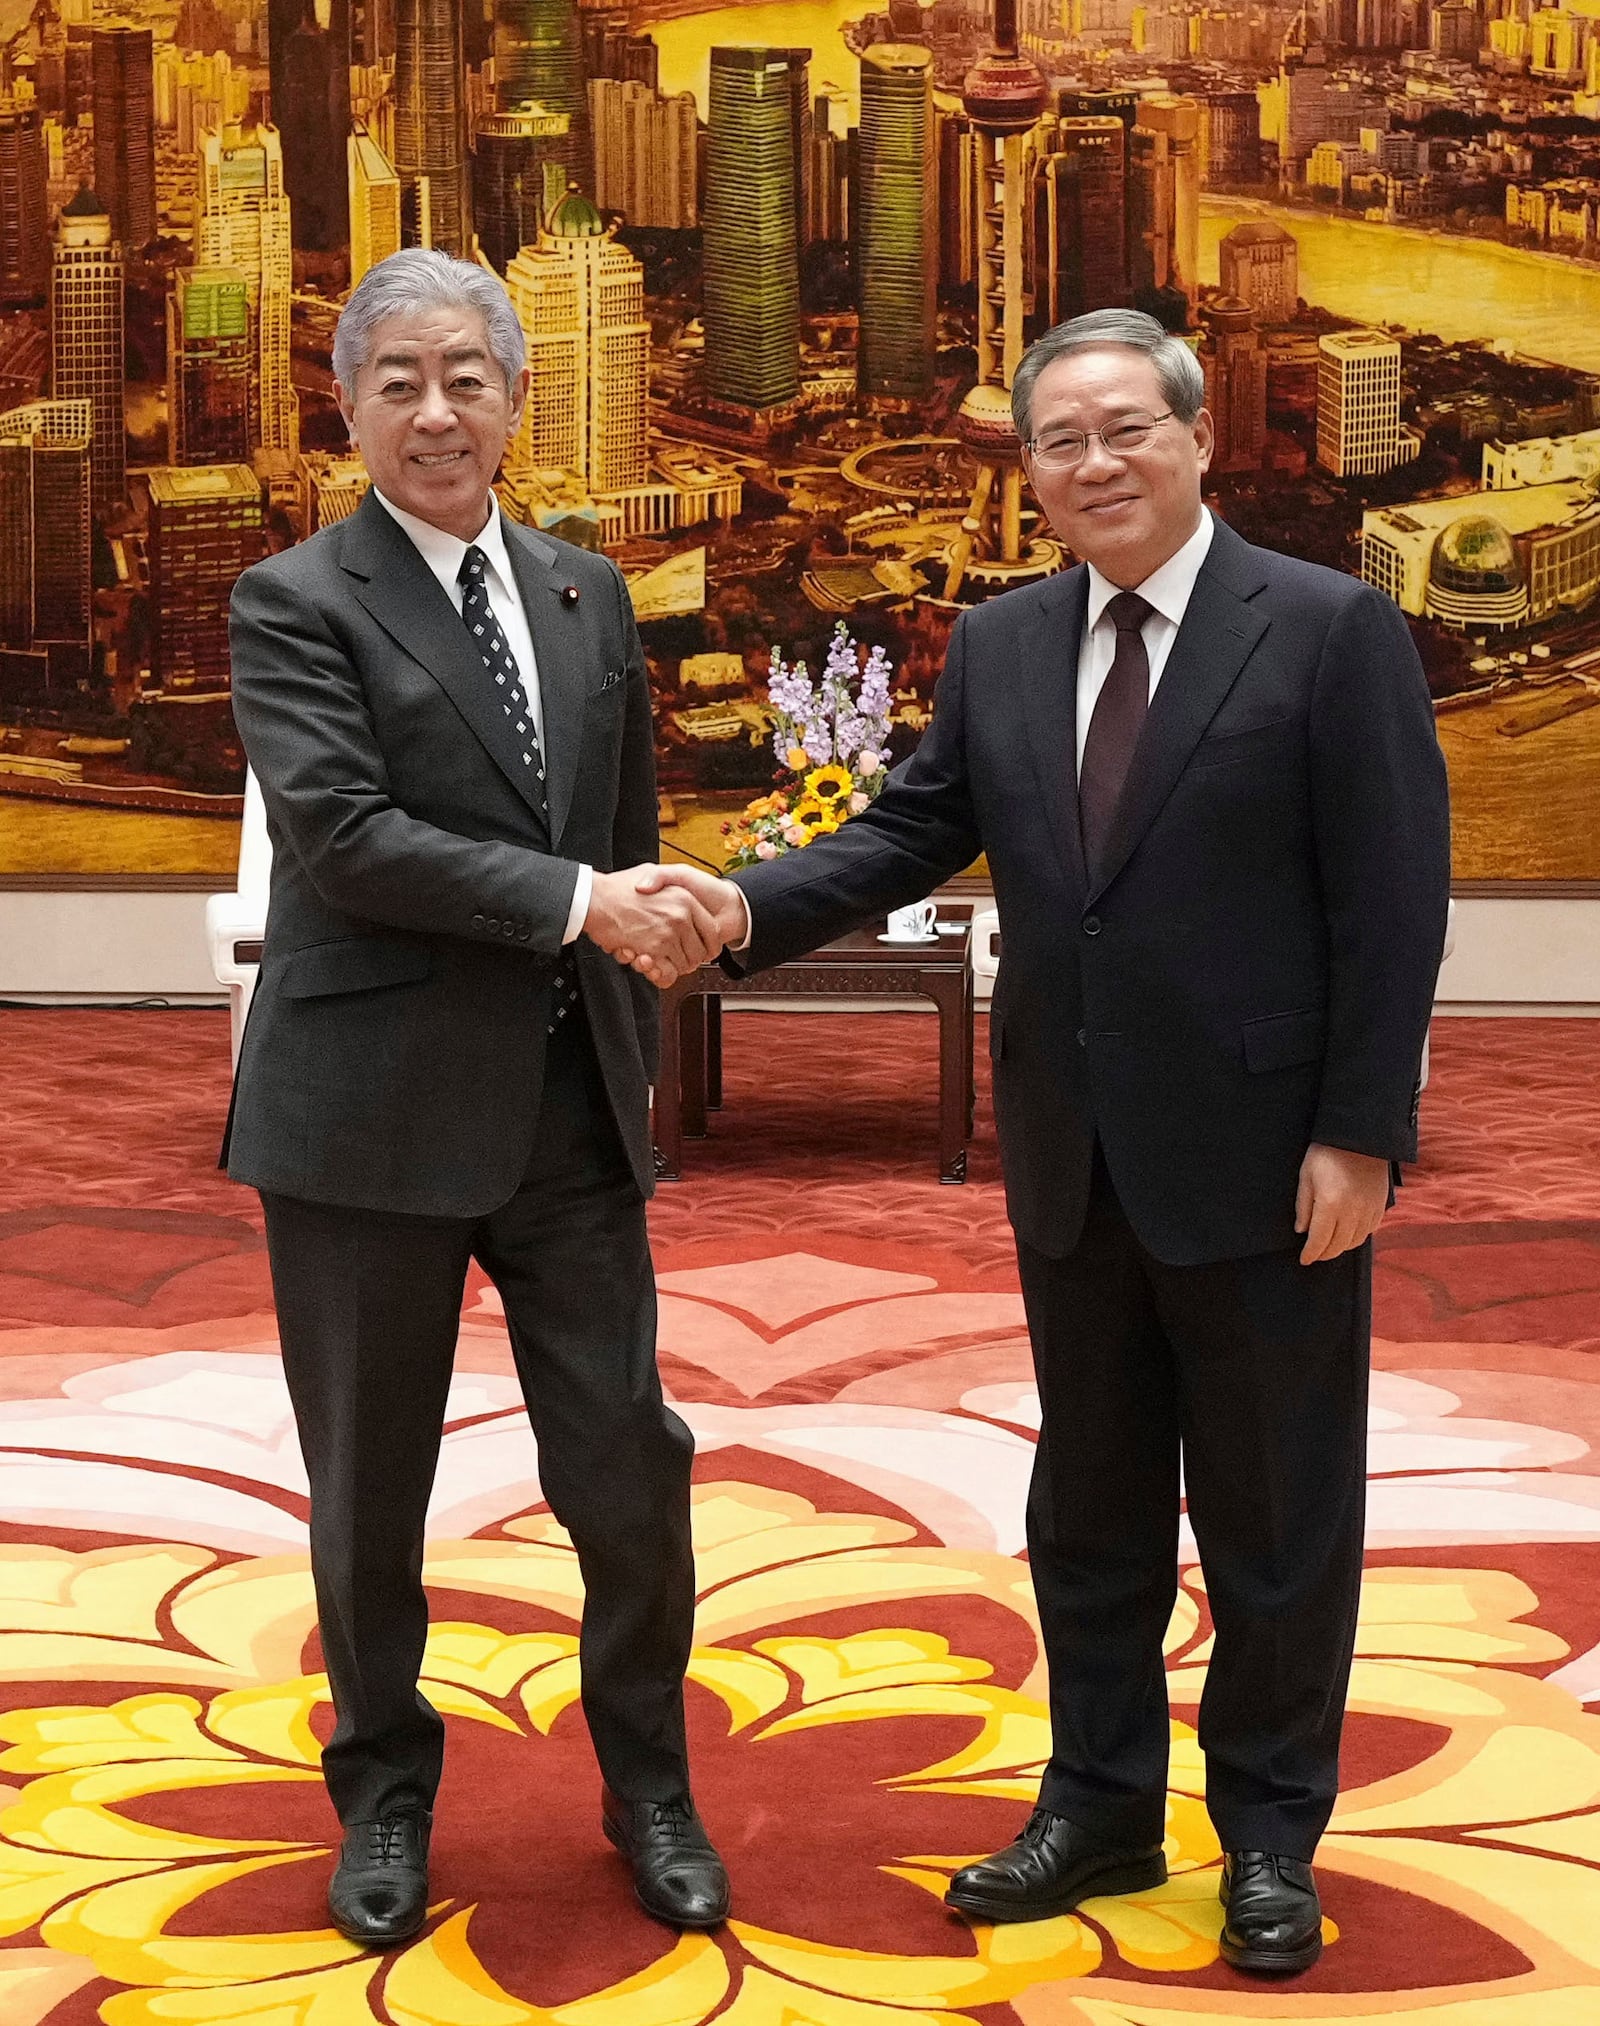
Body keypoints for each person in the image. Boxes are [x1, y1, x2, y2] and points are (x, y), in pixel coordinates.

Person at [640, 308, 1451, 1976]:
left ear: (1197, 435)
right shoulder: (1006, 643)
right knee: (1087, 1507)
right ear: (1033, 473)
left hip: (1268, 1161)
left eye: (1124, 429)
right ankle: (1097, 1804)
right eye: (1060, 442)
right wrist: (736, 910)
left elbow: (1393, 906)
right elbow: (914, 828)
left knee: (1276, 1514)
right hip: (1074, 1152)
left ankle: (1272, 1837)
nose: (1095, 464)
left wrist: (1361, 1131)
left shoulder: (1326, 630)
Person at [222, 248, 731, 1949]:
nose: (437, 411)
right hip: (364, 1123)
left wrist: (635, 991)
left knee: (628, 1467)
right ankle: (382, 1798)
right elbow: (346, 840)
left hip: (567, 1123)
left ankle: (649, 1785)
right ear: (350, 403)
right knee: (371, 1488)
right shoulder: (294, 598)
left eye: (469, 377)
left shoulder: (590, 594)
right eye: (401, 381)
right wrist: (587, 901)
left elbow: (626, 833)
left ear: (517, 396)